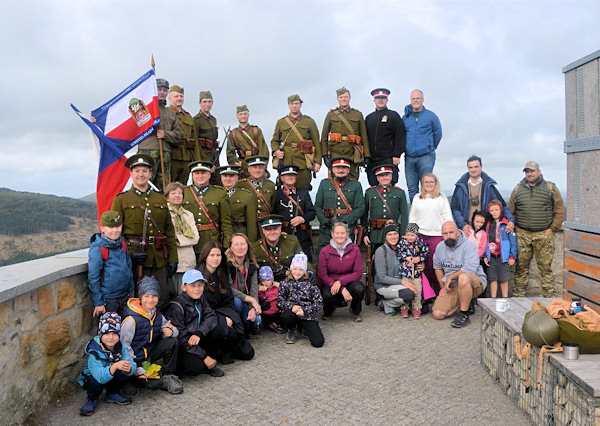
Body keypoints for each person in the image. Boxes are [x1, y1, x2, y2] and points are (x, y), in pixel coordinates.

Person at [111, 154, 178, 305]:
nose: (141, 174)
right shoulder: (121, 200)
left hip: (159, 259)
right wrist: (129, 254)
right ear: (131, 174)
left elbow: (169, 230)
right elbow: (115, 234)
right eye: (137, 171)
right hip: (136, 261)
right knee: (138, 300)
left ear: (150, 174)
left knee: (163, 298)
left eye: (144, 171)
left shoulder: (160, 198)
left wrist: (173, 258)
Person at [508, 161, 564, 298]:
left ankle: (550, 299)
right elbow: (510, 211)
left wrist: (552, 229)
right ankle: (518, 298)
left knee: (545, 269)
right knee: (521, 269)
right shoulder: (517, 189)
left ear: (539, 171)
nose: (529, 174)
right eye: (527, 171)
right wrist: (515, 226)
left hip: (544, 234)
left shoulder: (550, 187)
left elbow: (559, 209)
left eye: (532, 171)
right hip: (522, 234)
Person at [121, 276, 183, 394]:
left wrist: (171, 331)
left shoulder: (157, 315)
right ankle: (130, 379)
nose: (151, 300)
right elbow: (124, 346)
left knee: (172, 341)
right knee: (151, 384)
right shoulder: (131, 319)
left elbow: (174, 330)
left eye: (154, 296)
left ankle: (168, 375)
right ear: (140, 297)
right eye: (147, 296)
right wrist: (137, 369)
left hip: (148, 356)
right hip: (133, 360)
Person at [197, 242, 255, 364]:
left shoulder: (221, 273)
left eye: (218, 255)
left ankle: (227, 348)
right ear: (205, 257)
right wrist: (223, 318)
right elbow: (201, 307)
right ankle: (217, 352)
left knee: (248, 352)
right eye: (212, 255)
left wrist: (228, 316)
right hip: (207, 317)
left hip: (223, 311)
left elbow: (228, 300)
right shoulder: (198, 276)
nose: (215, 258)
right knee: (223, 331)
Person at [163, 269, 224, 378]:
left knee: (218, 330)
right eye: (192, 285)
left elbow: (212, 316)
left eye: (200, 285)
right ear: (183, 287)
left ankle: (209, 363)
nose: (197, 289)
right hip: (184, 344)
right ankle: (182, 367)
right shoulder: (177, 306)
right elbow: (180, 337)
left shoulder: (201, 298)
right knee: (196, 368)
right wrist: (204, 356)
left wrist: (199, 333)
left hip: (196, 338)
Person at [78, 312, 136, 416]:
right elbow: (100, 377)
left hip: (109, 375)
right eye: (107, 334)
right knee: (94, 381)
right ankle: (91, 399)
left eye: (114, 334)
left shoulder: (120, 347)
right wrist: (114, 366)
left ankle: (112, 393)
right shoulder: (94, 351)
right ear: (101, 334)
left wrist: (129, 368)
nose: (111, 337)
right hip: (94, 378)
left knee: (124, 370)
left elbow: (130, 361)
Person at [432, 222, 487, 328]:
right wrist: (443, 287)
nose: (448, 236)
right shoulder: (440, 247)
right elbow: (437, 267)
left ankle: (464, 314)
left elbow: (469, 268)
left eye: (451, 232)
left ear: (458, 232)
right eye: (445, 233)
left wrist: (451, 276)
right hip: (453, 285)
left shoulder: (468, 245)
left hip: (474, 280)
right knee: (438, 314)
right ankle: (466, 300)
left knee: (463, 277)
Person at [408, 173, 453, 295]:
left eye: (431, 182)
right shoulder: (417, 197)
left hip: (437, 236)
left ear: (436, 183)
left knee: (436, 266)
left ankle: (440, 292)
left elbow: (447, 217)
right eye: (426, 182)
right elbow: (412, 217)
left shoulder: (441, 197)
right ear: (422, 184)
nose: (428, 184)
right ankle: (426, 295)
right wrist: (411, 236)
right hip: (420, 235)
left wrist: (448, 234)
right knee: (423, 267)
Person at [451, 155, 515, 236]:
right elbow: (455, 208)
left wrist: (511, 220)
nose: (473, 169)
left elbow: (501, 205)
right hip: (466, 228)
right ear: (468, 168)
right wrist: (463, 225)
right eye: (470, 167)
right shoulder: (460, 186)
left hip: (485, 227)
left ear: (481, 167)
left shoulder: (489, 186)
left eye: (476, 167)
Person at [137, 78, 183, 191]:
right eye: (159, 89)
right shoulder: (144, 108)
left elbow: (179, 135)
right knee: (143, 184)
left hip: (165, 153)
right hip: (146, 151)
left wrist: (165, 134)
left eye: (164, 90)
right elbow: (130, 126)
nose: (162, 92)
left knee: (163, 187)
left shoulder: (170, 113)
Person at [314, 157, 365, 255]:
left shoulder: (356, 185)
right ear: (333, 169)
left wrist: (345, 221)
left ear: (349, 170)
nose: (341, 170)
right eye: (337, 168)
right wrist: (325, 221)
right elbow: (318, 206)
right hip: (327, 228)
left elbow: (360, 208)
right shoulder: (325, 183)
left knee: (347, 257)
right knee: (322, 257)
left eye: (344, 168)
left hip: (347, 228)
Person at [88, 210, 134, 317]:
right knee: (110, 332)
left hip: (125, 297)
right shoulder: (98, 249)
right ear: (102, 228)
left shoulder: (122, 244)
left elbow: (129, 270)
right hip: (108, 300)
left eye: (118, 226)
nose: (115, 230)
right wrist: (98, 302)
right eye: (111, 227)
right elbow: (93, 278)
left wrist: (132, 294)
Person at [271, 94, 321, 190]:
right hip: (286, 161)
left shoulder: (309, 121)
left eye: (296, 103)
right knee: (285, 191)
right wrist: (276, 151)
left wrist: (318, 162)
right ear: (288, 105)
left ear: (300, 104)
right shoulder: (281, 122)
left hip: (303, 162)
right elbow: (274, 140)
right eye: (292, 103)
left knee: (303, 189)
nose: (294, 106)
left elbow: (316, 143)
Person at [318, 221, 365, 322]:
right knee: (327, 294)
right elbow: (322, 275)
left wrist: (341, 283)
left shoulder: (355, 249)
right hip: (331, 282)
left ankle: (354, 310)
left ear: (347, 234)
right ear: (332, 234)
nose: (340, 236)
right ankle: (329, 311)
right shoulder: (324, 251)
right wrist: (341, 289)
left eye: (342, 233)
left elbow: (358, 272)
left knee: (359, 288)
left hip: (349, 280)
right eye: (337, 233)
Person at [183, 160, 233, 253]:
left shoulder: (220, 193)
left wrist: (226, 245)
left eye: (203, 173)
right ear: (192, 175)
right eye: (197, 173)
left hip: (211, 240)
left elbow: (226, 222)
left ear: (209, 175)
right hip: (188, 240)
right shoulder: (184, 192)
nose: (200, 176)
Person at [320, 87, 370, 179]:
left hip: (353, 153)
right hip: (335, 152)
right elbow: (324, 137)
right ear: (337, 99)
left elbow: (364, 136)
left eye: (346, 97)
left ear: (350, 98)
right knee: (335, 182)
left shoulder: (357, 114)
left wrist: (366, 155)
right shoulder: (331, 114)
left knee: (353, 180)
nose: (344, 99)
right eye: (341, 97)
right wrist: (324, 155)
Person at [402, 89, 442, 202]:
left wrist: (431, 146)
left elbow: (438, 133)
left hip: (426, 156)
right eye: (413, 98)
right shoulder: (405, 118)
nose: (415, 100)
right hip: (409, 157)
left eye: (418, 98)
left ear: (422, 100)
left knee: (427, 186)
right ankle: (415, 215)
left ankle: (427, 212)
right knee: (412, 188)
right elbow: (401, 135)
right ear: (410, 100)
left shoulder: (431, 116)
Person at [277, 253, 324, 347]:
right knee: (285, 316)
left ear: (305, 271)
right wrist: (291, 307)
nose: (297, 272)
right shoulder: (285, 283)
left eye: (301, 270)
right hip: (292, 312)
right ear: (290, 269)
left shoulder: (310, 284)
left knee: (318, 342)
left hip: (307, 314)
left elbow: (319, 302)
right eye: (295, 269)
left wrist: (305, 310)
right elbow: (279, 300)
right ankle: (292, 328)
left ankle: (304, 328)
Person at [272, 164, 316, 261]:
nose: (290, 177)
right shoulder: (276, 194)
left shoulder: (303, 193)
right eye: (287, 175)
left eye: (293, 175)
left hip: (302, 236)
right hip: (283, 235)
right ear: (282, 178)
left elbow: (312, 212)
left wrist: (302, 218)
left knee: (306, 262)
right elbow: (272, 214)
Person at [362, 164, 408, 255]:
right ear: (377, 177)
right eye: (381, 175)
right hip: (376, 234)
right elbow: (364, 214)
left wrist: (402, 235)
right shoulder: (370, 192)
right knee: (374, 261)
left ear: (391, 176)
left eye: (387, 175)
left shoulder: (400, 192)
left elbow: (404, 216)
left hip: (394, 233)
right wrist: (366, 233)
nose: (384, 178)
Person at [373, 223, 417, 316]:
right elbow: (381, 277)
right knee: (409, 295)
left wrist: (421, 264)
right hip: (384, 285)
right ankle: (386, 303)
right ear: (385, 237)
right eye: (389, 234)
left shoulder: (403, 249)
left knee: (420, 298)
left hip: (401, 283)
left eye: (395, 234)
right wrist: (403, 282)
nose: (393, 237)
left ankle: (399, 304)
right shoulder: (381, 251)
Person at [364, 88, 406, 186]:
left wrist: (397, 155)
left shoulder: (393, 116)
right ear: (374, 100)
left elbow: (400, 135)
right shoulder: (369, 118)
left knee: (390, 187)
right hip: (372, 160)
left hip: (388, 159)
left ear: (387, 100)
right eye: (378, 98)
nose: (381, 100)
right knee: (374, 187)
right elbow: (365, 138)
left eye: (383, 98)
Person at [226, 233, 263, 336]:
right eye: (236, 244)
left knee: (257, 321)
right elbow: (229, 289)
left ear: (247, 246)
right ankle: (235, 326)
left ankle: (244, 325)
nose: (240, 247)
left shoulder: (252, 265)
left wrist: (252, 308)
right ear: (230, 247)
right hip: (231, 302)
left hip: (246, 303)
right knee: (237, 302)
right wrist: (251, 299)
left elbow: (254, 291)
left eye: (242, 244)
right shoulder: (226, 265)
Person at [165, 182, 199, 291]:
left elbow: (195, 238)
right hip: (172, 259)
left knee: (187, 293)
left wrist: (177, 239)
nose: (177, 195)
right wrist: (174, 239)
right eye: (173, 193)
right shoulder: (165, 213)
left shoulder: (188, 215)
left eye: (180, 193)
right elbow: (167, 236)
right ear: (167, 197)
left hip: (188, 261)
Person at [251, 215, 304, 283]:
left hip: (290, 284)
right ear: (263, 230)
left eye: (275, 228)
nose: (272, 232)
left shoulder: (292, 242)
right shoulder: (256, 248)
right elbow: (253, 274)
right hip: (267, 287)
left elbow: (303, 262)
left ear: (280, 228)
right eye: (268, 229)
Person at [484, 200, 517, 298]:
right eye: (492, 210)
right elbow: (485, 241)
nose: (494, 212)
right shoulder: (488, 225)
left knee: (504, 279)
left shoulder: (506, 224)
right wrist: (485, 255)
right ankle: (492, 299)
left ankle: (505, 298)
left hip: (504, 256)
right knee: (493, 279)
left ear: (500, 210)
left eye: (496, 210)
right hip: (492, 255)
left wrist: (512, 256)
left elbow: (513, 242)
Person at [168, 84, 200, 185]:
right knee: (170, 186)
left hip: (186, 158)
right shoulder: (166, 113)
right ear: (170, 98)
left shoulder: (188, 116)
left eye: (181, 96)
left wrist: (197, 161)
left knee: (183, 187)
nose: (179, 98)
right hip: (172, 157)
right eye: (176, 96)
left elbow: (195, 140)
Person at [218, 164, 258, 242]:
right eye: (225, 176)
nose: (228, 179)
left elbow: (251, 224)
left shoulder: (247, 195)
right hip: (220, 237)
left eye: (232, 176)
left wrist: (251, 243)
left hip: (240, 235)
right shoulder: (216, 194)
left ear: (237, 177)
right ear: (221, 177)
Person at [227, 105, 269, 178]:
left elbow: (263, 149)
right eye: (240, 114)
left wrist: (262, 165)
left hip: (256, 163)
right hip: (241, 164)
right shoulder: (233, 134)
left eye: (245, 114)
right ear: (237, 116)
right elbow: (229, 153)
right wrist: (235, 163)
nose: (243, 116)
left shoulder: (256, 131)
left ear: (248, 115)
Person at [397, 223, 429, 319]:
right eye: (408, 235)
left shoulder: (420, 243)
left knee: (417, 290)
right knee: (405, 290)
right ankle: (404, 307)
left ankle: (416, 308)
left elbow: (426, 252)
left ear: (417, 235)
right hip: (406, 271)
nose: (410, 237)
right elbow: (399, 253)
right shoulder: (402, 243)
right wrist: (406, 257)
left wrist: (419, 258)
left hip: (416, 273)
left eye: (412, 235)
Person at [236, 156, 276, 224]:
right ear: (249, 169)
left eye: (260, 167)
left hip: (265, 223)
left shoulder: (271, 185)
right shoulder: (240, 185)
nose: (257, 170)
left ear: (264, 169)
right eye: (254, 167)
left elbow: (274, 206)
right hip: (248, 223)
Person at [257, 266, 285, 333]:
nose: (266, 283)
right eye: (263, 281)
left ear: (272, 279)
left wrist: (280, 286)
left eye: (268, 280)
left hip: (276, 310)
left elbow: (284, 294)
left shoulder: (276, 287)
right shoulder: (260, 289)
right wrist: (258, 290)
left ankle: (273, 324)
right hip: (265, 311)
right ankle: (264, 324)